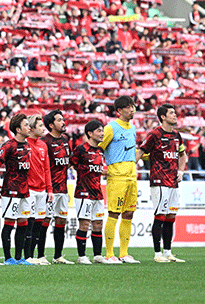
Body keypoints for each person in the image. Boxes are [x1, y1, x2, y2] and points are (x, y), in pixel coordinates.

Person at [140, 104, 188, 263]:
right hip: (159, 180)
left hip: (173, 180)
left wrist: (181, 171)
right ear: (163, 117)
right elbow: (141, 151)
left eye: (175, 112)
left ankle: (168, 252)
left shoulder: (176, 135)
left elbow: (182, 155)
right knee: (160, 215)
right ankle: (157, 254)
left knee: (171, 216)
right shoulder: (154, 134)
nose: (175, 115)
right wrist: (130, 166)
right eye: (171, 113)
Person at [100, 95, 141, 263]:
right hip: (117, 176)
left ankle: (124, 253)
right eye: (128, 107)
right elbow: (97, 147)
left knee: (129, 213)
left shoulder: (133, 128)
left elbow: (131, 151)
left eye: (133, 106)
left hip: (132, 176)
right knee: (114, 213)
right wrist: (101, 167)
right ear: (119, 110)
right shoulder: (111, 128)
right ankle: (109, 254)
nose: (132, 110)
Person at [0, 113, 33, 265]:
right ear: (18, 129)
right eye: (26, 125)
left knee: (23, 222)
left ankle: (18, 257)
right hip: (11, 190)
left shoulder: (27, 145)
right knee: (9, 223)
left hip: (24, 191)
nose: (29, 127)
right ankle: (8, 258)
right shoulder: (9, 145)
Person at [70, 120, 113, 264]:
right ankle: (82, 256)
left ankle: (97, 255)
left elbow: (98, 170)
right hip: (83, 192)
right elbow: (71, 164)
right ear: (90, 133)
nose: (102, 134)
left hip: (98, 193)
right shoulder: (81, 149)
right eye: (99, 131)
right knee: (84, 224)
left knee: (98, 224)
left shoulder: (100, 150)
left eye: (102, 131)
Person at [42, 109, 73, 265]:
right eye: (59, 120)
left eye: (63, 119)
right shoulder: (45, 141)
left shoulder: (65, 140)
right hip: (49, 190)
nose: (63, 122)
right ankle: (40, 255)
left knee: (61, 221)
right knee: (45, 221)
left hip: (63, 189)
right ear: (51, 125)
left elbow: (69, 162)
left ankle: (58, 256)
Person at [23, 114, 52, 265]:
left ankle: (35, 256)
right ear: (32, 128)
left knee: (39, 224)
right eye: (40, 126)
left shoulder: (43, 145)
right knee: (30, 223)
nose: (43, 128)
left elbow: (47, 169)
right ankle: (27, 256)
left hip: (42, 191)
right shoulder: (25, 144)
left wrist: (49, 189)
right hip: (29, 190)